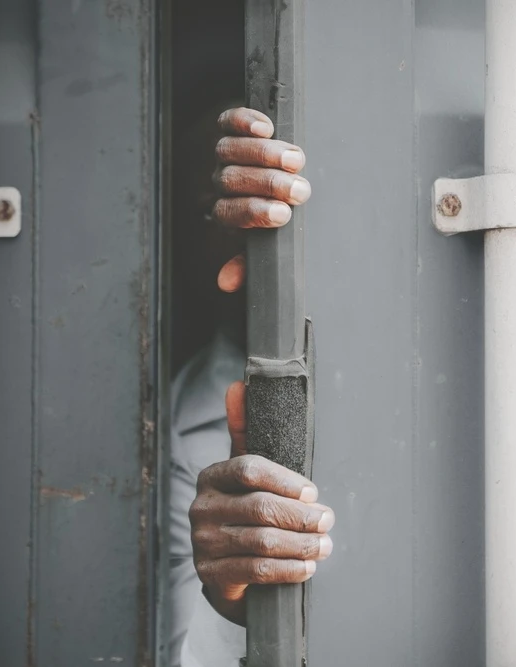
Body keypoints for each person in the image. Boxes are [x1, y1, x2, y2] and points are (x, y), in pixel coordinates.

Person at [168, 107, 335, 667]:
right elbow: (182, 656)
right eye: (205, 212)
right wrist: (233, 601)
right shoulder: (185, 415)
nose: (236, 227)